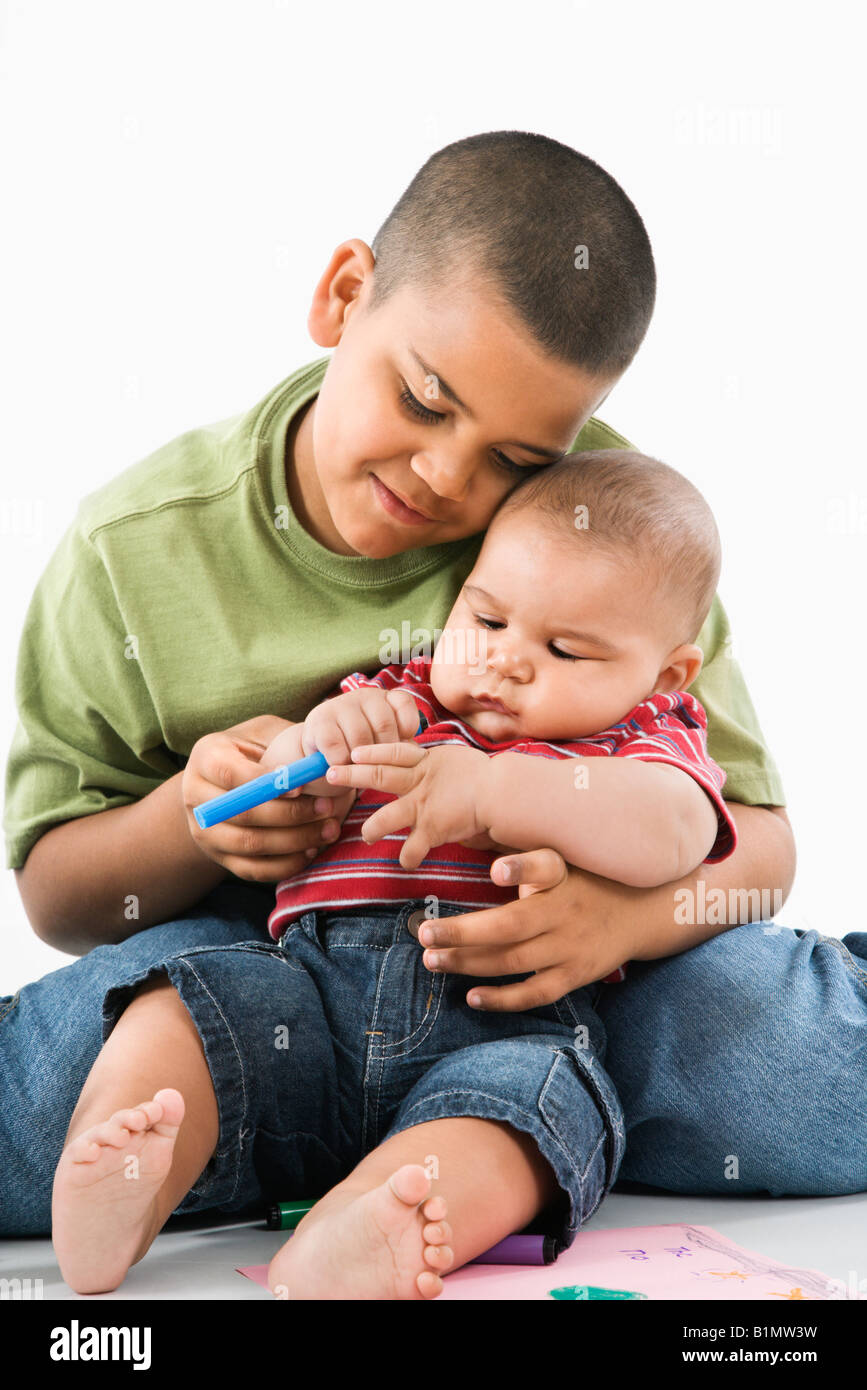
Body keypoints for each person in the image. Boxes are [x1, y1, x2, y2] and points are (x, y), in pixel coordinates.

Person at [3, 131, 862, 1251]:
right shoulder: (133, 548)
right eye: (422, 398)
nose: (449, 476)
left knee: (800, 1060)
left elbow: (750, 846)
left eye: (516, 460)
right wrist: (196, 823)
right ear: (345, 294)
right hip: (264, 971)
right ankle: (350, 1131)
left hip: (564, 987)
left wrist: (618, 925)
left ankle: (418, 1151)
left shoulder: (604, 523)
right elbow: (65, 899)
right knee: (93, 1056)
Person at [51, 449, 741, 1298]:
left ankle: (372, 1225)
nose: (504, 662)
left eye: (565, 649)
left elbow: (673, 832)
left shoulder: (639, 740)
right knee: (193, 1001)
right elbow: (307, 754)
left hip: (499, 1032)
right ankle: (123, 1174)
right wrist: (317, 740)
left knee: (533, 1111)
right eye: (486, 623)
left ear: (664, 673)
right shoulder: (408, 693)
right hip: (302, 1000)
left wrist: (498, 789)